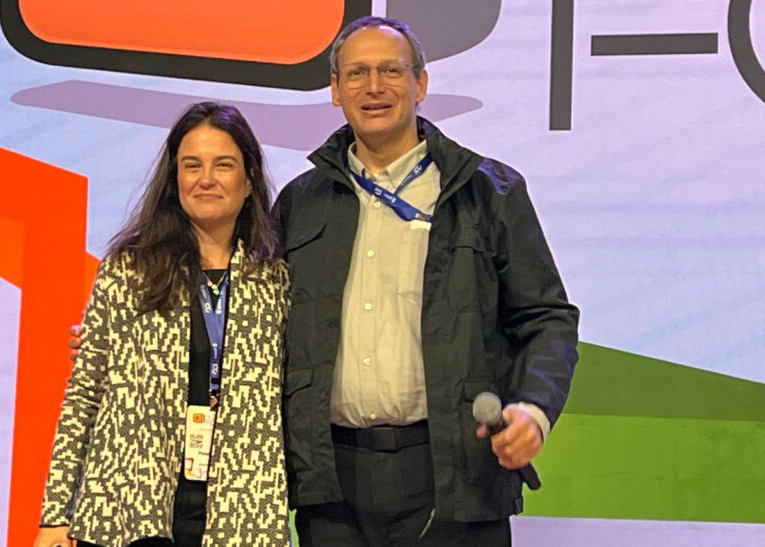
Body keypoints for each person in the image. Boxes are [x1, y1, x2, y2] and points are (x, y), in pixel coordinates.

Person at [275, 16, 580, 546]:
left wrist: (534, 410)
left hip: (454, 475)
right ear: (335, 90)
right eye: (357, 73)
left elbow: (547, 318)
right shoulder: (299, 202)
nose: (374, 87)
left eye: (391, 70)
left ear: (420, 83)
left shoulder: (488, 192)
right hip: (330, 484)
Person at [37, 102, 290, 547]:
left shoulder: (276, 279)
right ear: (175, 179)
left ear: (249, 179)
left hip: (241, 512)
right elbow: (85, 396)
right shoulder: (129, 270)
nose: (206, 179)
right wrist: (56, 513)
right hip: (130, 510)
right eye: (192, 165)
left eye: (223, 165)